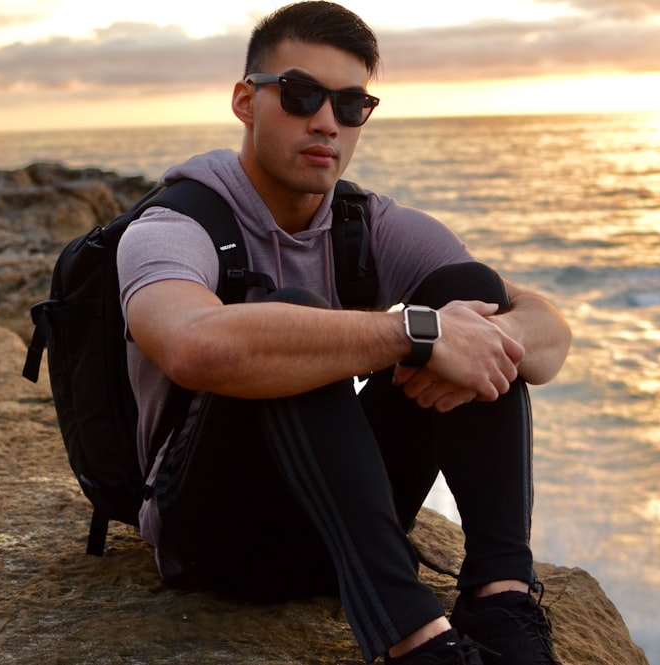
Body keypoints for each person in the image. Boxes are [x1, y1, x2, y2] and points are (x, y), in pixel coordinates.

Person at [117, 2, 572, 663]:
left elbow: (548, 334)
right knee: (291, 317)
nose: (325, 121)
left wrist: (465, 334)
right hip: (214, 538)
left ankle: (499, 599)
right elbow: (193, 344)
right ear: (246, 101)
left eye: (351, 103)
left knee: (465, 297)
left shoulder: (366, 225)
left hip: (344, 529)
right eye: (300, 95)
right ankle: (414, 641)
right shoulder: (174, 226)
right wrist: (412, 334)